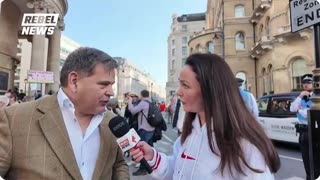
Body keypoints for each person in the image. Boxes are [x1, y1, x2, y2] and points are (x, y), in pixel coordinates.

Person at [130, 53, 280, 179]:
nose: (178, 92)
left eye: (186, 85)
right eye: (179, 84)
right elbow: (178, 168)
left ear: (211, 91)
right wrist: (153, 157)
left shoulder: (246, 145)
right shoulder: (189, 131)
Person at [0, 47, 129, 179]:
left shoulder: (113, 123)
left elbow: (119, 164)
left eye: (111, 85)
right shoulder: (13, 119)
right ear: (74, 81)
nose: (111, 92)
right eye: (103, 85)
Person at [290, 73, 319, 180]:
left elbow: (310, 113)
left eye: (308, 83)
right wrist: (300, 96)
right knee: (306, 159)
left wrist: (300, 110)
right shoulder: (302, 97)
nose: (306, 85)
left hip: (314, 131)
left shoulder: (317, 97)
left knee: (315, 159)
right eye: (304, 83)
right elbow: (292, 109)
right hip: (303, 132)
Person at [127, 89, 155, 176]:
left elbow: (132, 110)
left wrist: (129, 102)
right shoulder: (151, 102)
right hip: (151, 129)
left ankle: (143, 169)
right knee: (149, 148)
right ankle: (150, 166)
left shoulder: (143, 103)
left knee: (142, 150)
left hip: (144, 129)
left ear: (142, 95)